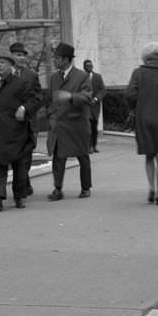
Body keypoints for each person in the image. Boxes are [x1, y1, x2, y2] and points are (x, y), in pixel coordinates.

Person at [0, 50, 41, 210]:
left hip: (17, 132)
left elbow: (35, 100)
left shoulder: (20, 83)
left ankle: (19, 196)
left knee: (19, 168)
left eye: (3, 62)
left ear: (10, 65)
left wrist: (24, 108)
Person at [46, 41, 95, 201]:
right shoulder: (54, 78)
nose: (55, 60)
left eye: (57, 58)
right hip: (59, 123)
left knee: (82, 156)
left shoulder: (82, 76)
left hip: (77, 124)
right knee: (58, 158)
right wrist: (50, 115)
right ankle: (57, 188)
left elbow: (87, 96)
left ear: (66, 60)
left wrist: (70, 96)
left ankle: (86, 187)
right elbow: (50, 99)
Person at [124, 42, 158, 205]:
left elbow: (130, 94)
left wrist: (136, 106)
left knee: (149, 155)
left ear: (145, 57)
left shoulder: (138, 73)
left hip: (143, 117)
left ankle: (150, 186)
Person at [10, 41, 41, 197]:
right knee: (16, 157)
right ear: (11, 56)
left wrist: (26, 109)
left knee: (27, 156)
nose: (20, 58)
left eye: (22, 55)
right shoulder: (4, 74)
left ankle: (23, 184)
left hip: (28, 122)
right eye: (17, 55)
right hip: (10, 124)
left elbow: (38, 98)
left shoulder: (32, 75)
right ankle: (23, 186)